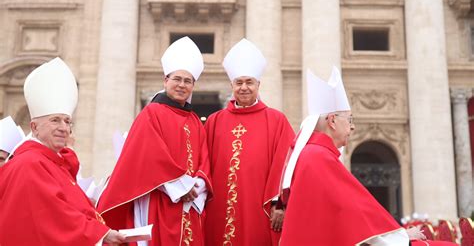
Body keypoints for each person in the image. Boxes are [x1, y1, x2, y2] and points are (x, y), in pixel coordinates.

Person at [279, 67, 457, 246]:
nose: (353, 127)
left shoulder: (313, 153)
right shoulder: (318, 156)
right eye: (349, 120)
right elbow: (352, 210)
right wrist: (402, 238)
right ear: (332, 121)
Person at [97, 37, 212, 246]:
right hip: (160, 199)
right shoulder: (152, 112)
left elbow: (204, 158)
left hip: (190, 202)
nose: (181, 85)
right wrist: (180, 186)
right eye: (177, 79)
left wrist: (198, 184)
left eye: (188, 81)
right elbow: (148, 155)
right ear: (165, 80)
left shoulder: (194, 120)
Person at [0, 57, 125, 245]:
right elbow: (54, 216)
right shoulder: (29, 163)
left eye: (67, 121)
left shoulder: (55, 164)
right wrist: (101, 235)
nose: (63, 128)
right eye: (55, 120)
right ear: (34, 127)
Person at [204, 39, 295, 246]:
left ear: (258, 85)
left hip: (259, 211)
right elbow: (202, 165)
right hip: (217, 210)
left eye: (249, 82)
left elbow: (287, 165)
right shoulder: (214, 121)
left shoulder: (276, 120)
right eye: (239, 83)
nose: (244, 88)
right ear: (231, 85)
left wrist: (279, 204)